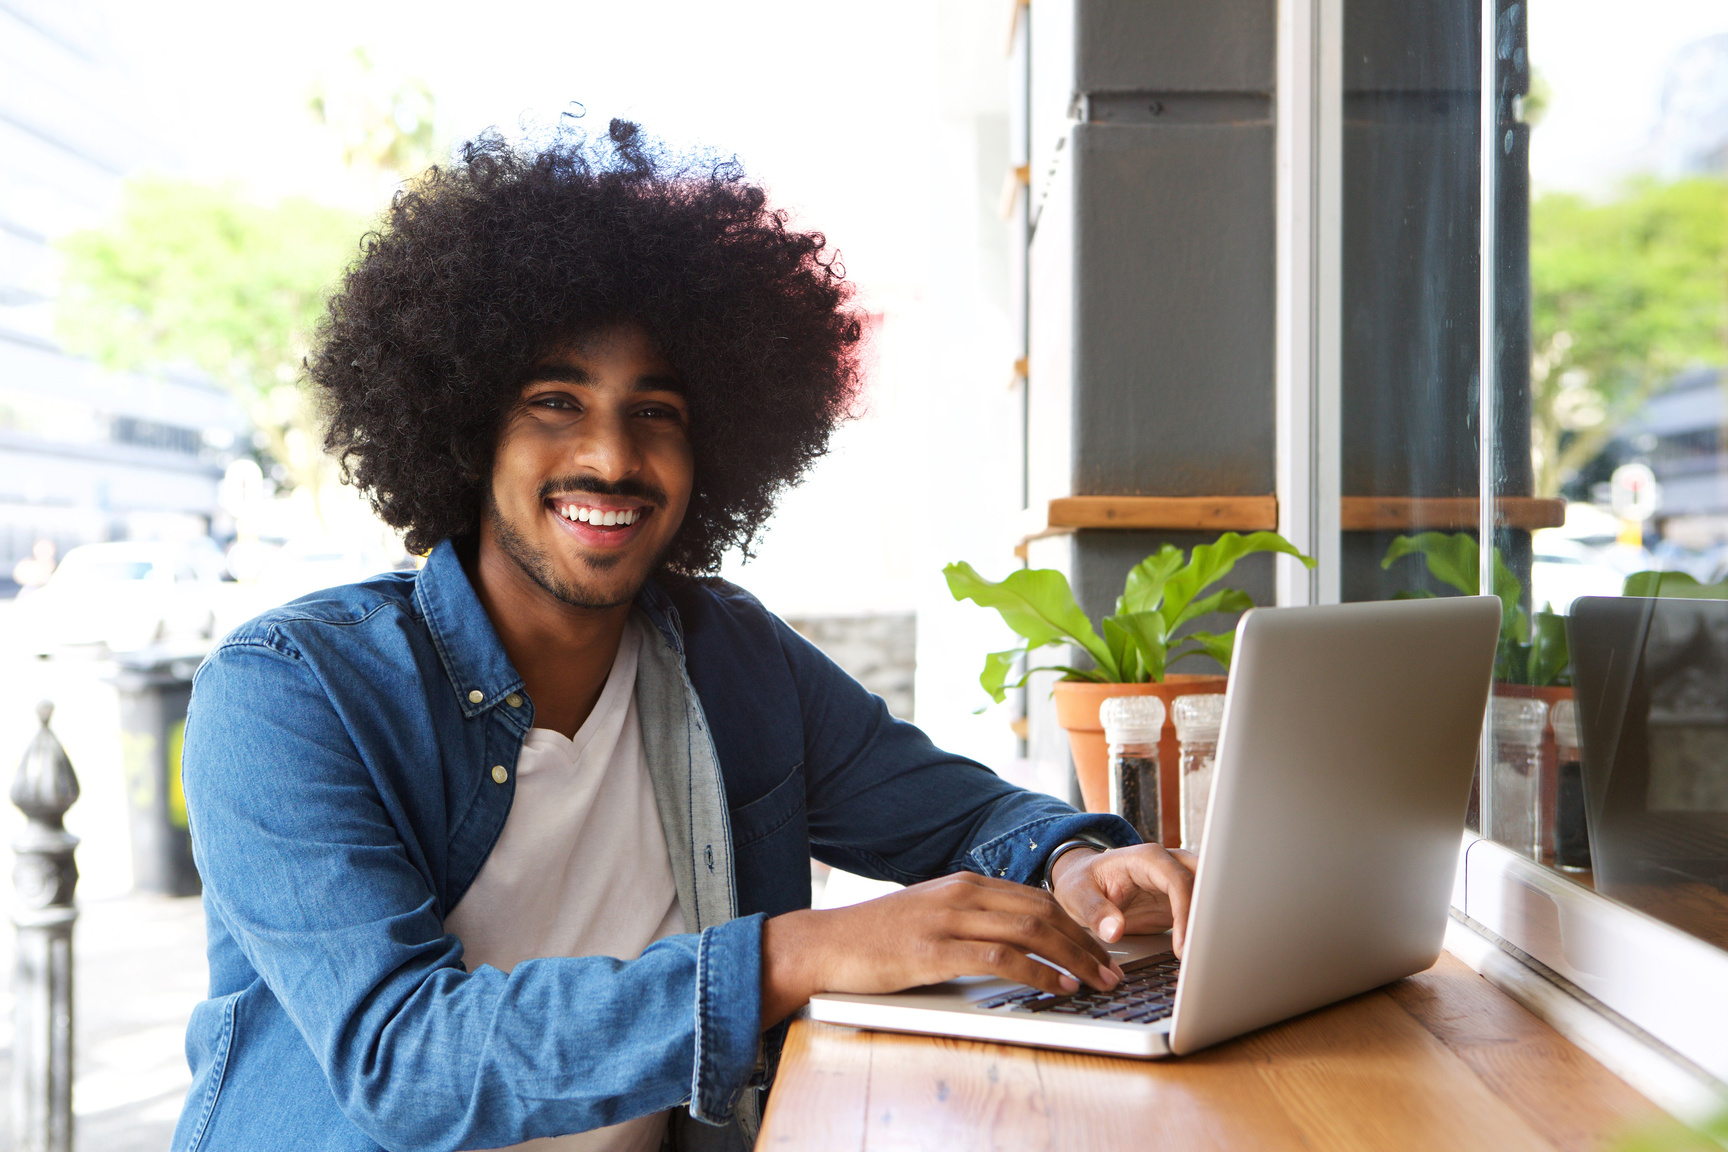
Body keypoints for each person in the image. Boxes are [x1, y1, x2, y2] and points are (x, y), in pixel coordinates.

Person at [174, 121, 1196, 1152]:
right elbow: (407, 1062)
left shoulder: (730, 658)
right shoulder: (292, 694)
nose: (612, 456)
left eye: (655, 411)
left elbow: (959, 816)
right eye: (555, 402)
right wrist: (794, 956)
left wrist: (1070, 863)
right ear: (467, 424)